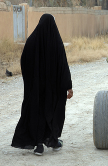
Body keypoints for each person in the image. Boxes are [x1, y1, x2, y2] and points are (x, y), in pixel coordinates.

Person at [11, 14, 73, 156]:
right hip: (53, 90)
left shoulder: (31, 41)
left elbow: (24, 62)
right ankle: (53, 140)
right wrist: (68, 87)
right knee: (52, 111)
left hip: (36, 89)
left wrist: (31, 82)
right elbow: (63, 66)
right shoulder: (56, 42)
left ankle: (39, 145)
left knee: (36, 112)